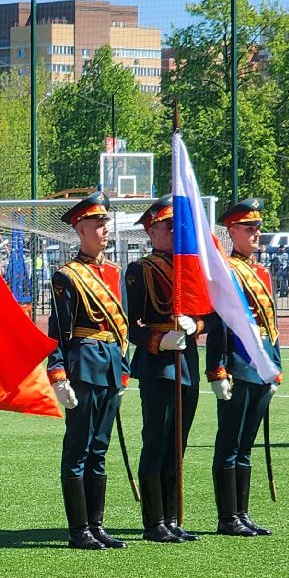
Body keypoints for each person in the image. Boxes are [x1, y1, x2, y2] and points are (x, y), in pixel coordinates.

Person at [47, 192, 130, 551]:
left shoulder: (113, 273)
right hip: (82, 365)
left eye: (105, 223)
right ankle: (78, 529)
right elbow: (58, 331)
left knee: (99, 448)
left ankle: (97, 525)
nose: (104, 229)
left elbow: (122, 327)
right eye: (97, 224)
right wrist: (58, 374)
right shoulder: (67, 276)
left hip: (109, 364)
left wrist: (123, 370)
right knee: (78, 449)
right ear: (80, 229)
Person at [127, 197, 203, 544]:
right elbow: (132, 328)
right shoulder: (140, 270)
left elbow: (210, 316)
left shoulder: (190, 268)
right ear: (151, 231)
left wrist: (195, 325)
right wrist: (159, 341)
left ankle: (172, 518)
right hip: (159, 366)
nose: (175, 232)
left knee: (178, 445)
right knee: (156, 443)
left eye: (177, 226)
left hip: (187, 364)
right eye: (168, 226)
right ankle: (154, 521)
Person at [207, 198, 283, 536]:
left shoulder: (261, 272)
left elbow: (271, 323)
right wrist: (217, 370)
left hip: (262, 363)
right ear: (232, 231)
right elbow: (219, 324)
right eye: (249, 228)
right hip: (238, 363)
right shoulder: (227, 270)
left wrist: (275, 365)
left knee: (246, 443)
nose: (256, 233)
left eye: (258, 227)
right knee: (230, 442)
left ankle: (242, 512)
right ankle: (227, 517)